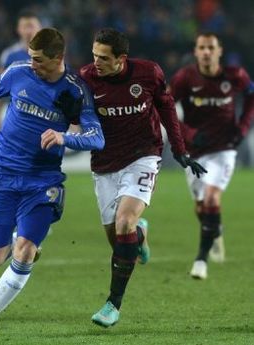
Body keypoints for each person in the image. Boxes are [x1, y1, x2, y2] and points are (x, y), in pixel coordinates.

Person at [0, 28, 105, 336]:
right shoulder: (17, 72)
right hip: (3, 176)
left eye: (38, 59)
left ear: (58, 58)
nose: (32, 63)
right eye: (30, 57)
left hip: (42, 181)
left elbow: (97, 137)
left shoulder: (76, 91)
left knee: (23, 250)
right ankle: (24, 238)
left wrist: (65, 136)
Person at [79, 28, 206, 327]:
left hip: (143, 155)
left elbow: (166, 107)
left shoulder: (148, 73)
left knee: (124, 223)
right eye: (94, 55)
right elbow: (80, 116)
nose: (96, 62)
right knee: (122, 244)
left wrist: (180, 148)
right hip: (105, 162)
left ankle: (113, 304)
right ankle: (141, 234)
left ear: (121, 59)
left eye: (104, 58)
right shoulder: (85, 78)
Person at [170, 33, 254, 279]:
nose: (206, 52)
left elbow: (251, 96)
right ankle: (215, 230)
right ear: (196, 52)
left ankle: (200, 261)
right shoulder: (185, 78)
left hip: (224, 148)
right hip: (195, 151)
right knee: (200, 207)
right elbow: (166, 109)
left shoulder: (235, 75)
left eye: (211, 48)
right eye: (202, 48)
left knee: (211, 198)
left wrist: (243, 126)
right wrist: (189, 133)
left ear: (219, 52)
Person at [0, 10, 42, 134]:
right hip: (16, 117)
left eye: (31, 26)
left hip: (44, 116)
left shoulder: (51, 54)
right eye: (25, 27)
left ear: (40, 28)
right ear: (18, 29)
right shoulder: (9, 55)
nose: (28, 31)